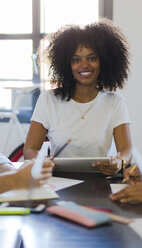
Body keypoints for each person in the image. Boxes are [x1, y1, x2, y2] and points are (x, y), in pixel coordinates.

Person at [23, 18, 132, 176]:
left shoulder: (115, 102)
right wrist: (42, 163)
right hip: (57, 181)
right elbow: (30, 150)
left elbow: (126, 150)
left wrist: (119, 162)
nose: (84, 65)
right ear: (67, 64)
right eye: (76, 60)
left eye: (92, 58)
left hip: (99, 182)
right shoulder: (48, 99)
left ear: (104, 62)